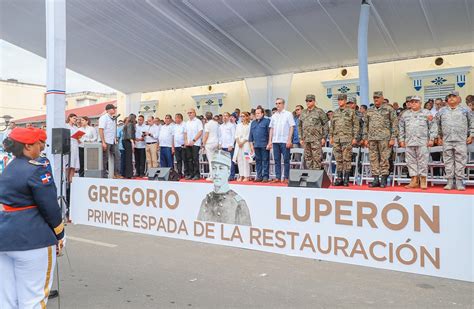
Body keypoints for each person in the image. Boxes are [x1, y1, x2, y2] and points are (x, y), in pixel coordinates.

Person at [0, 128, 65, 308]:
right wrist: (60, 235)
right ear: (28, 146)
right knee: (33, 300)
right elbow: (50, 207)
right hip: (32, 240)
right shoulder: (36, 170)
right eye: (39, 144)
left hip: (4, 240)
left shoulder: (8, 168)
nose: (41, 147)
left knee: (7, 300)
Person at [197, 150, 251, 226]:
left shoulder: (238, 203)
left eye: (221, 168)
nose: (216, 173)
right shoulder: (205, 201)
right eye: (214, 168)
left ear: (228, 171)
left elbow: (245, 233)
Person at [436, 91, 473, 190]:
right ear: (447, 99)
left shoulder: (465, 110)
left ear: (458, 98)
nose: (451, 98)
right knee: (448, 161)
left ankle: (459, 182)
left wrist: (471, 135)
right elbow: (438, 125)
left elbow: (472, 123)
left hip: (461, 139)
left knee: (460, 161)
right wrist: (439, 137)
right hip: (447, 140)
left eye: (454, 96)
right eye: (449, 97)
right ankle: (449, 181)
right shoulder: (442, 111)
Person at [399, 96, 437, 190]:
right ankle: (414, 180)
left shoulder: (426, 113)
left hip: (422, 142)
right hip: (409, 141)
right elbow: (401, 128)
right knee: (410, 162)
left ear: (420, 103)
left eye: (416, 102)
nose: (414, 103)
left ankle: (423, 179)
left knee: (423, 161)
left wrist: (432, 139)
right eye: (412, 102)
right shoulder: (405, 114)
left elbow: (433, 126)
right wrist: (401, 139)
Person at [363, 91, 398, 188]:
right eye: (374, 98)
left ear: (382, 98)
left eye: (378, 97)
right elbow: (366, 125)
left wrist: (393, 138)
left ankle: (383, 179)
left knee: (384, 159)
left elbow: (394, 124)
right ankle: (375, 179)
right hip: (372, 139)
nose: (376, 99)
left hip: (385, 138)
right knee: (373, 159)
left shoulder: (389, 109)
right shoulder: (369, 111)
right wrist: (365, 138)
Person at [330, 94, 359, 186]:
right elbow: (332, 126)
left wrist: (355, 138)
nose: (340, 102)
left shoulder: (351, 112)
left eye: (341, 100)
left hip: (347, 139)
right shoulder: (335, 112)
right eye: (338, 100)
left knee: (347, 159)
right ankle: (339, 178)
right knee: (338, 159)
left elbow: (356, 126)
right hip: (336, 139)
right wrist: (331, 137)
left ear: (345, 101)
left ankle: (346, 179)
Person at [298, 94, 329, 171]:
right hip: (306, 139)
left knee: (316, 157)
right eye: (307, 101)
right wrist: (301, 138)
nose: (308, 102)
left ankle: (316, 175)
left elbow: (325, 124)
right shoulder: (303, 112)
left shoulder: (319, 111)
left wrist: (324, 137)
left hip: (316, 139)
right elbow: (300, 126)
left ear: (314, 101)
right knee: (308, 157)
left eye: (310, 101)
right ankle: (310, 175)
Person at [268, 98, 295, 183]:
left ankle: (286, 177)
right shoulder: (274, 116)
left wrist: (289, 140)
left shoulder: (288, 114)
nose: (277, 105)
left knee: (286, 160)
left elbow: (291, 127)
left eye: (279, 103)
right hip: (275, 141)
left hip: (284, 141)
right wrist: (270, 141)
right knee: (276, 160)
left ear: (283, 104)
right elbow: (271, 129)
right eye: (276, 103)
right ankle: (278, 177)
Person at [98, 103, 120, 178]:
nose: (114, 109)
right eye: (113, 108)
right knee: (105, 158)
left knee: (118, 155)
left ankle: (116, 173)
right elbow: (101, 129)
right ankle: (104, 175)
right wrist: (103, 142)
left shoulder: (113, 118)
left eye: (114, 108)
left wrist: (115, 138)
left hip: (113, 140)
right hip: (106, 140)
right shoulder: (104, 118)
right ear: (108, 110)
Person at [249, 106, 271, 182]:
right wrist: (251, 145)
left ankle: (265, 177)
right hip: (256, 145)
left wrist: (269, 143)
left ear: (262, 113)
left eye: (258, 113)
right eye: (256, 113)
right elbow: (250, 135)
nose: (257, 114)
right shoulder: (253, 123)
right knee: (258, 161)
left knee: (265, 161)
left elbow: (269, 133)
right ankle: (259, 176)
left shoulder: (267, 121)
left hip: (264, 144)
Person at [184, 108, 203, 180]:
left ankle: (197, 174)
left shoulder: (198, 121)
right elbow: (185, 133)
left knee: (195, 159)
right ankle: (191, 174)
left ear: (194, 113)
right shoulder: (187, 122)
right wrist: (186, 141)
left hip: (195, 143)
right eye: (188, 113)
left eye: (191, 112)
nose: (189, 114)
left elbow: (200, 132)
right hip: (188, 144)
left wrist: (194, 140)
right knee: (189, 159)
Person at [233, 112, 252, 182]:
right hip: (238, 145)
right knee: (240, 160)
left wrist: (242, 142)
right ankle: (241, 175)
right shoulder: (238, 125)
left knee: (246, 160)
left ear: (247, 117)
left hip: (246, 144)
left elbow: (248, 135)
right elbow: (236, 135)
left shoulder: (249, 125)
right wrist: (238, 142)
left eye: (243, 116)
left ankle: (247, 176)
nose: (242, 118)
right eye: (241, 116)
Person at [219, 112, 237, 181]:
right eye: (223, 116)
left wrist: (231, 145)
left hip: (229, 146)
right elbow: (220, 136)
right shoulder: (221, 126)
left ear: (229, 117)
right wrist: (220, 144)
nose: (225, 117)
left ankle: (231, 175)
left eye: (226, 116)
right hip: (223, 146)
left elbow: (233, 136)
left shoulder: (231, 126)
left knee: (230, 162)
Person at [203, 111, 220, 180]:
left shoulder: (207, 124)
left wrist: (203, 143)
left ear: (205, 117)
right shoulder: (216, 123)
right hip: (216, 142)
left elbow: (206, 135)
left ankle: (212, 176)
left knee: (211, 160)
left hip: (209, 143)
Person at [65, 113, 81, 183]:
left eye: (76, 119)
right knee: (68, 164)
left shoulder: (76, 128)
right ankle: (66, 179)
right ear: (70, 118)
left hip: (75, 145)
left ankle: (71, 180)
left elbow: (78, 137)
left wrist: (78, 139)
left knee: (73, 164)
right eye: (74, 118)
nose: (75, 120)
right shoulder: (65, 126)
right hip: (69, 145)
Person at [122, 114, 136, 179]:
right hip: (128, 141)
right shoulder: (130, 124)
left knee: (126, 157)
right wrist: (132, 141)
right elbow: (129, 134)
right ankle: (129, 174)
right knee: (129, 158)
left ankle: (126, 173)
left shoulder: (126, 124)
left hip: (124, 141)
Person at [173, 113, 185, 177]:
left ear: (180, 118)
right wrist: (173, 146)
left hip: (183, 145)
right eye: (175, 118)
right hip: (176, 145)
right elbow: (173, 136)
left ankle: (186, 173)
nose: (176, 119)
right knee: (178, 160)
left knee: (184, 160)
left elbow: (186, 135)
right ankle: (179, 173)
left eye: (177, 118)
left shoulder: (184, 125)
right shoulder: (174, 126)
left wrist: (185, 143)